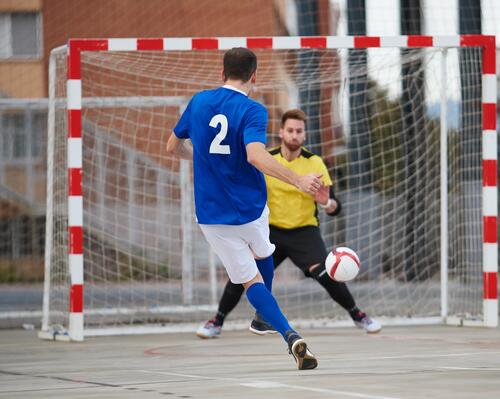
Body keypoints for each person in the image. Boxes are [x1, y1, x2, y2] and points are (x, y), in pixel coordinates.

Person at [166, 48, 321, 370]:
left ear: (222, 73)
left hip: (212, 213)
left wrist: (202, 158)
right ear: (254, 76)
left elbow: (171, 146)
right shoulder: (253, 109)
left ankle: (289, 334)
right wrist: (297, 180)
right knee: (263, 255)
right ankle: (263, 317)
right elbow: (255, 155)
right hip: (251, 208)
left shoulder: (198, 102)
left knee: (251, 282)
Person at [196, 109, 382, 339]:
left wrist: (326, 202)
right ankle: (217, 321)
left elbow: (336, 208)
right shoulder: (267, 159)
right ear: (282, 132)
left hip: (304, 231)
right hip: (269, 231)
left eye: (299, 131)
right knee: (244, 273)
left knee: (324, 273)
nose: (295, 135)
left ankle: (358, 315)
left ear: (304, 135)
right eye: (290, 130)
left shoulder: (315, 162)